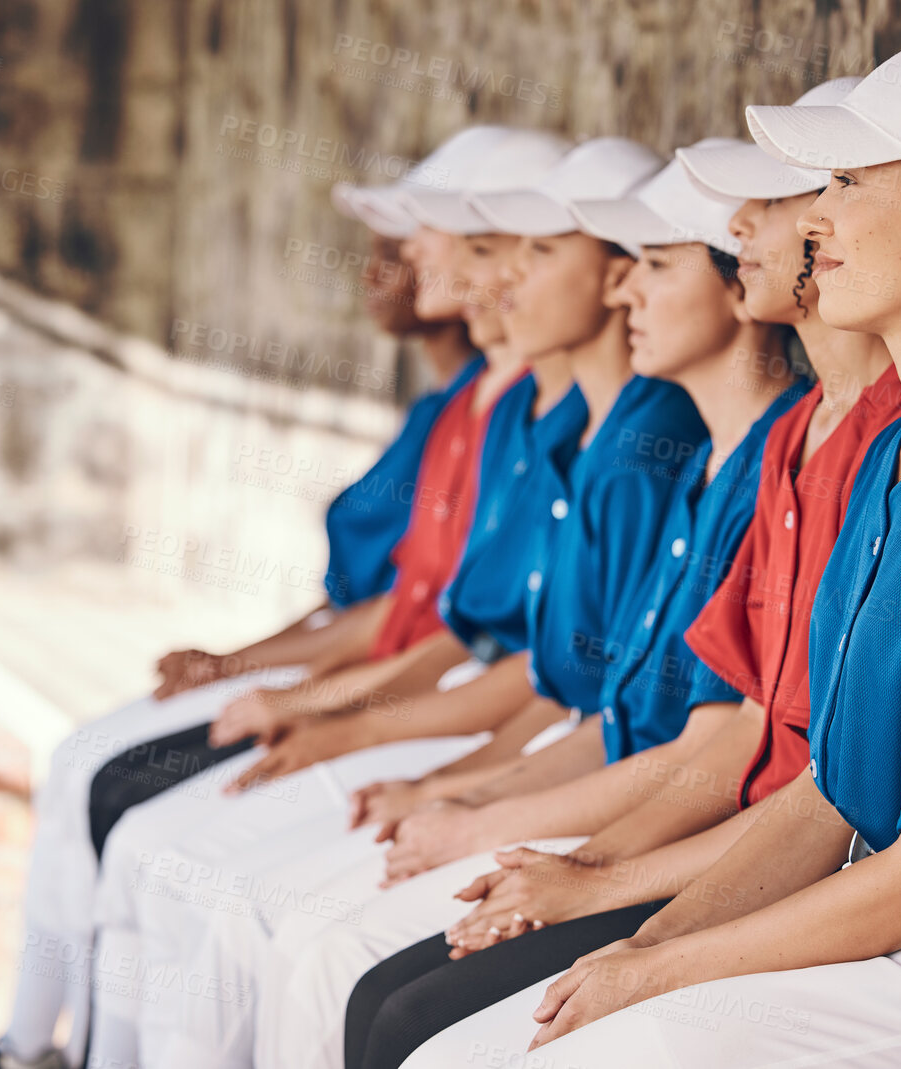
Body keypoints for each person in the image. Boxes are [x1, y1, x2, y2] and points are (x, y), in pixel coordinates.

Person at [404, 39, 901, 1068]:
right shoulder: (896, 458)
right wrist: (639, 941)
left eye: (848, 184)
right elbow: (828, 789)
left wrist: (648, 972)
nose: (812, 218)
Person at [0, 127, 510, 1069]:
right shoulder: (460, 408)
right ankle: (29, 1045)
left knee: (181, 862)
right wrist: (252, 668)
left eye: (410, 246)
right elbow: (386, 602)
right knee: (99, 780)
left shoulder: (533, 417)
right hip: (387, 678)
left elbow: (461, 631)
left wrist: (309, 702)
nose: (388, 269)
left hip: (446, 706)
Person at [263, 142, 815, 1069]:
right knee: (330, 948)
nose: (625, 294)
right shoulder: (694, 456)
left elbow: (718, 752)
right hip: (630, 807)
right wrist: (467, 792)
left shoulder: (703, 449)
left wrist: (568, 859)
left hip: (701, 838)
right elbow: (595, 701)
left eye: (653, 264)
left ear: (738, 285)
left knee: (364, 981)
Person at [78, 127, 589, 1068]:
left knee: (255, 912)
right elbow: (444, 624)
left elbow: (548, 678)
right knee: (137, 817)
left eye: (491, 248)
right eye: (460, 246)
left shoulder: (611, 434)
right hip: (467, 718)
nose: (459, 272)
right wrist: (280, 686)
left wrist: (424, 767)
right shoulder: (500, 410)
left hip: (508, 739)